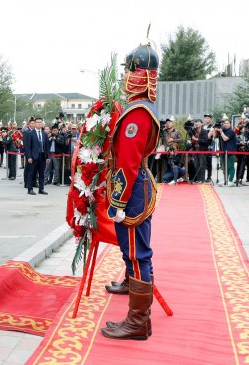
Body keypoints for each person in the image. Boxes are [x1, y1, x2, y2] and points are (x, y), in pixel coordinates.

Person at [101, 42, 160, 341]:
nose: (127, 75)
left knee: (137, 254)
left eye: (130, 69)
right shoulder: (140, 106)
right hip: (137, 187)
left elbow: (128, 162)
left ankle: (137, 322)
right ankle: (140, 317)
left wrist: (118, 200)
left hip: (132, 191)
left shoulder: (137, 111)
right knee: (134, 251)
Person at [24, 117, 49, 195]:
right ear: (34, 124)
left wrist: (47, 157)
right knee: (31, 173)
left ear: (42, 124)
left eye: (40, 122)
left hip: (42, 156)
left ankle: (41, 189)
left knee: (42, 173)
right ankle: (30, 189)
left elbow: (47, 146)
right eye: (37, 122)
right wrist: (29, 157)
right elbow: (28, 147)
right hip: (33, 157)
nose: (39, 123)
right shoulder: (30, 133)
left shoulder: (44, 134)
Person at [210, 117, 236, 186]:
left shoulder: (231, 131)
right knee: (224, 167)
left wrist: (221, 131)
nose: (226, 124)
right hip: (223, 151)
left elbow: (225, 139)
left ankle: (231, 180)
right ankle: (225, 180)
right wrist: (215, 130)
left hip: (230, 151)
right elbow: (214, 137)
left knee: (230, 166)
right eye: (225, 123)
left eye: (228, 123)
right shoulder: (222, 130)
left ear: (230, 124)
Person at [202, 114, 214, 181]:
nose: (206, 119)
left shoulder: (212, 127)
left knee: (209, 162)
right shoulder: (202, 126)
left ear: (210, 119)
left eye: (208, 118)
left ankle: (209, 176)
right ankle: (201, 176)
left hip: (209, 146)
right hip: (201, 146)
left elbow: (208, 136)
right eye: (205, 118)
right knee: (202, 162)